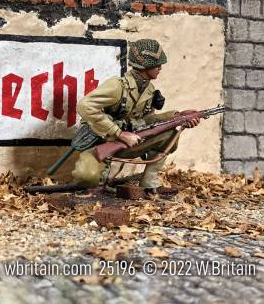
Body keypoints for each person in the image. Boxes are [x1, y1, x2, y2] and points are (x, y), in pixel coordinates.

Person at [71, 39, 199, 194]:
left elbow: (146, 121)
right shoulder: (117, 86)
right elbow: (85, 106)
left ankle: (150, 181)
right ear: (144, 66)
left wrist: (177, 116)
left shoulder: (149, 90)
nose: (160, 68)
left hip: (127, 142)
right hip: (100, 142)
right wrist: (119, 133)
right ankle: (101, 180)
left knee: (170, 133)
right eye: (157, 64)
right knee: (86, 176)